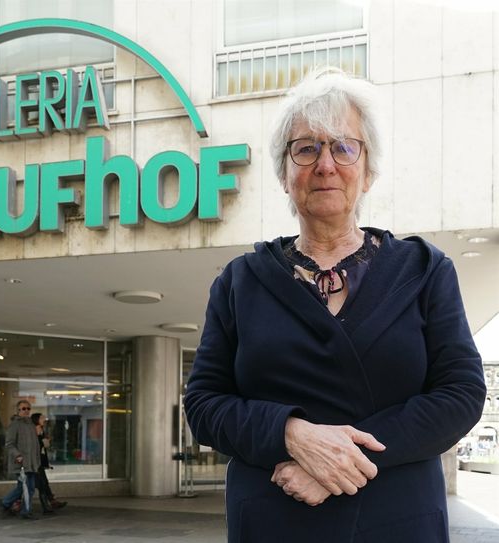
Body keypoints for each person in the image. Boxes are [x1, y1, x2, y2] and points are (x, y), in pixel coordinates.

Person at [183, 67, 487, 543]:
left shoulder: (424, 270)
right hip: (273, 518)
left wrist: (335, 463)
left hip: (398, 520)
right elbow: (203, 404)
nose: (325, 164)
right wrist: (292, 435)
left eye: (344, 147)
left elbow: (461, 394)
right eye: (306, 148)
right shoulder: (240, 281)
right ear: (285, 174)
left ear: (369, 172)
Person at [0, 400, 40, 519]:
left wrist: (37, 461)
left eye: (28, 408)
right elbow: (9, 444)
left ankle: (5, 503)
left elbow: (35, 445)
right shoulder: (15, 425)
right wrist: (17, 455)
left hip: (31, 463)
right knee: (28, 488)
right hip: (21, 462)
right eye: (23, 408)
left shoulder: (31, 425)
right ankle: (25, 511)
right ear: (18, 410)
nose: (26, 411)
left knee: (22, 488)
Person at [31, 412, 67, 513]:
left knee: (43, 483)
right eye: (42, 418)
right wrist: (44, 441)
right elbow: (36, 445)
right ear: (37, 419)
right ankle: (48, 505)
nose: (44, 419)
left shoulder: (41, 430)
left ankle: (51, 502)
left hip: (40, 461)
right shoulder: (35, 430)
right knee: (41, 484)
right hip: (36, 461)